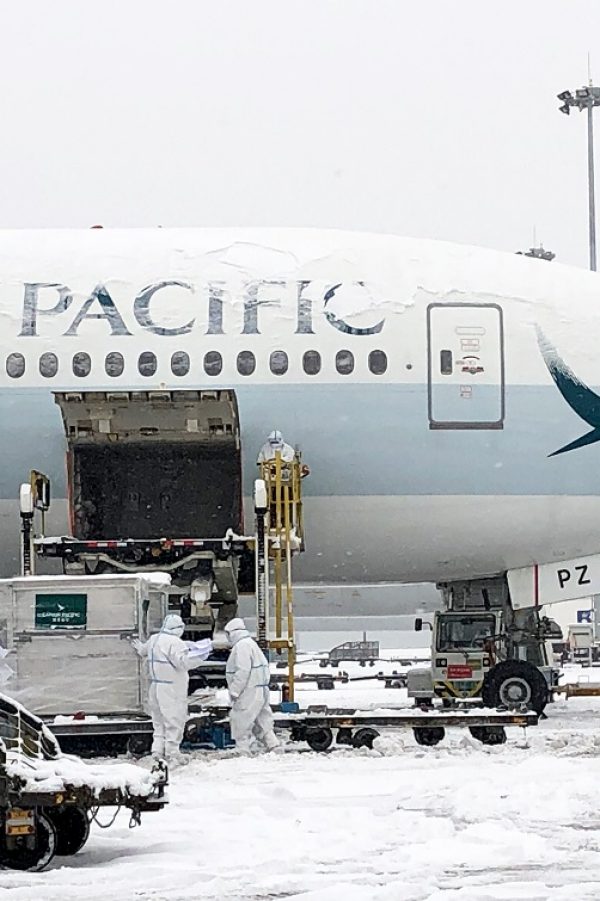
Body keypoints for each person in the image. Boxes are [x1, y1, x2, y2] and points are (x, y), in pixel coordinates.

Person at [132, 613, 212, 762]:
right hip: (172, 689)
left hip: (156, 687)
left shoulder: (154, 639)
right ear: (178, 628)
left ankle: (157, 751)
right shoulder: (175, 643)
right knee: (174, 720)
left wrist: (139, 646)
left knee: (159, 721)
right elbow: (183, 663)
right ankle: (172, 752)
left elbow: (143, 651)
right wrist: (201, 655)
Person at [224, 618, 278, 754]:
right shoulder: (251, 644)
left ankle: (242, 748)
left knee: (241, 717)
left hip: (249, 690)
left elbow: (242, 670)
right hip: (260, 689)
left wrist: (235, 690)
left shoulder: (241, 646)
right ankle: (273, 744)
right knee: (262, 717)